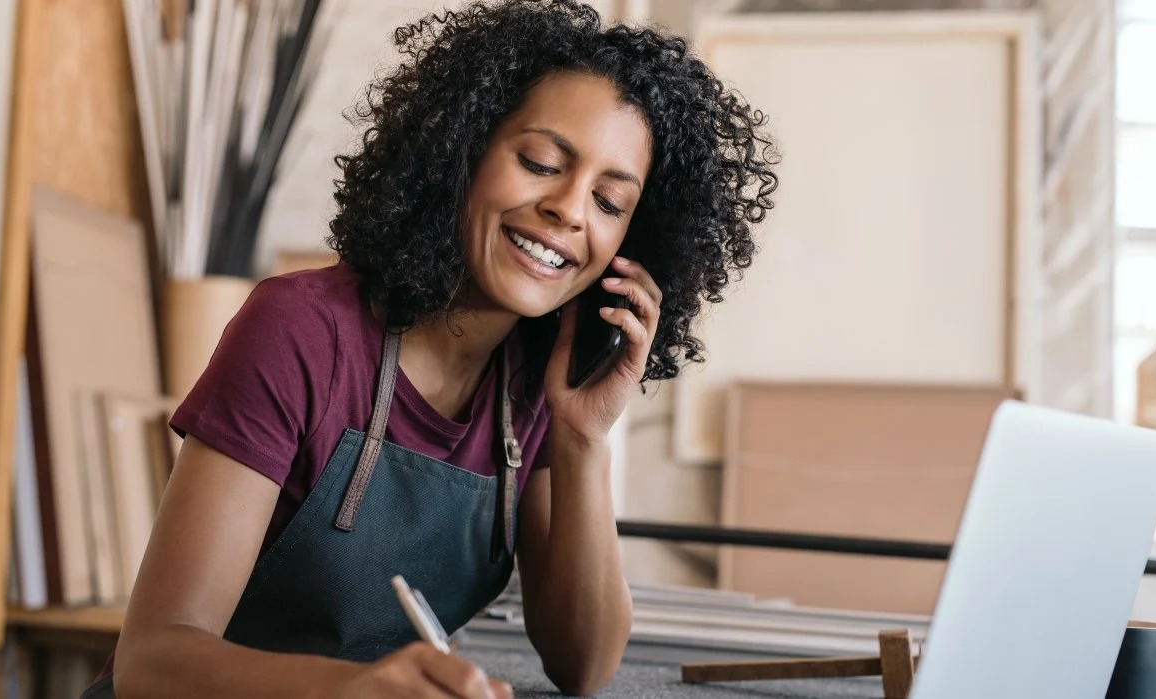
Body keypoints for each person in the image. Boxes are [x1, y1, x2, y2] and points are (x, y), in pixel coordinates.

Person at [83, 0, 776, 696]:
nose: (569, 208)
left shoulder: (533, 381)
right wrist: (349, 690)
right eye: (540, 161)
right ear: (462, 150)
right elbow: (153, 660)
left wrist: (582, 439)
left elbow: (584, 662)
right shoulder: (299, 330)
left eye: (609, 201)